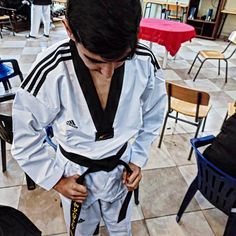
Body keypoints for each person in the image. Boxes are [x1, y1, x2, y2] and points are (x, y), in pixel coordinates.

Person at [12, 0, 166, 235]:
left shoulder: (144, 60)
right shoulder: (52, 70)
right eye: (95, 61)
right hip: (75, 173)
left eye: (122, 58)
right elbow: (24, 139)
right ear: (69, 30)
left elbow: (155, 113)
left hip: (120, 167)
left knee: (121, 228)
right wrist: (56, 180)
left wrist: (138, 158)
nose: (108, 72)